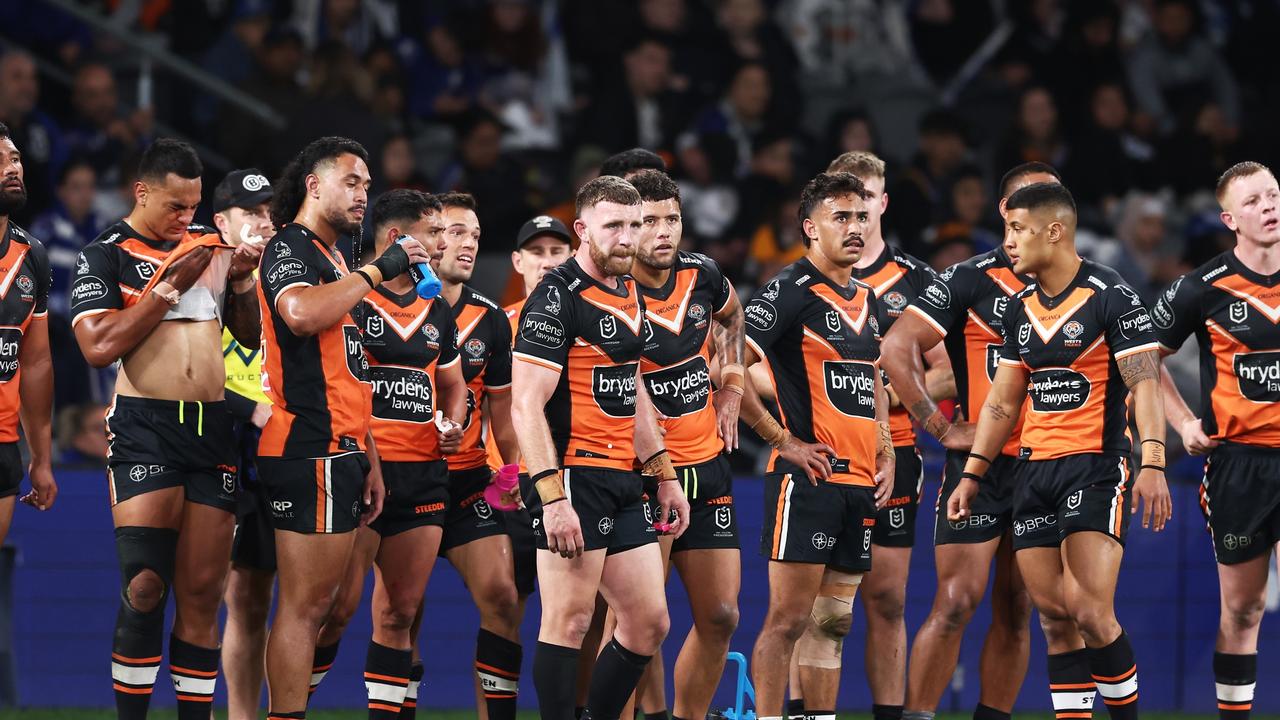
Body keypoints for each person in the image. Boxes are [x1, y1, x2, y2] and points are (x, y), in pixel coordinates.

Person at [950, 182, 1172, 720]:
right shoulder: (1018, 308)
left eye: (1018, 230)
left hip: (1095, 469)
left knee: (1091, 612)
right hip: (1032, 474)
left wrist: (1153, 462)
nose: (1009, 242)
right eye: (1005, 231)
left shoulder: (1111, 295)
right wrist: (972, 475)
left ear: (1055, 231)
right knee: (1053, 617)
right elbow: (1002, 404)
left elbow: (1144, 384)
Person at [70, 138, 262, 718]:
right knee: (145, 586)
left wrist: (245, 281)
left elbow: (249, 338)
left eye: (193, 206)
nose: (186, 218)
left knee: (203, 597)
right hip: (145, 427)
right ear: (142, 192)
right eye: (175, 206)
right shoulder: (105, 253)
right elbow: (98, 347)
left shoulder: (207, 246)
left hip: (211, 430)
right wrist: (171, 285)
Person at [252, 135, 430, 719]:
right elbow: (300, 316)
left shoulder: (333, 261)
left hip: (345, 450)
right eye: (351, 182)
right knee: (305, 608)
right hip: (307, 447)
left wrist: (370, 456)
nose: (362, 195)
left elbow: (349, 372)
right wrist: (380, 271)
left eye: (367, 185)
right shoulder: (288, 248)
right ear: (313, 184)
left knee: (334, 605)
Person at [881, 161, 1062, 720]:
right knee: (956, 602)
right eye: (1017, 208)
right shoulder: (968, 278)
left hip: (1047, 464)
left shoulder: (1084, 285)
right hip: (975, 468)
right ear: (1002, 213)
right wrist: (937, 427)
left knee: (1017, 608)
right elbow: (896, 348)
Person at [511, 175, 691, 720]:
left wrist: (663, 473)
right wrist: (552, 497)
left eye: (635, 225)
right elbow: (526, 405)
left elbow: (628, 385)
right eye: (613, 225)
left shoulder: (626, 287)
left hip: (619, 476)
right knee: (567, 621)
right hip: (569, 477)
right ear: (582, 230)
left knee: (648, 623)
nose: (628, 237)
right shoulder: (555, 298)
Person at [785, 151, 943, 720]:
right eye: (845, 206)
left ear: (882, 202)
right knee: (810, 606)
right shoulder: (804, 283)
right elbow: (756, 361)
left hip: (894, 452)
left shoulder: (916, 281)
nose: (859, 215)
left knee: (885, 598)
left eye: (868, 199)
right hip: (829, 451)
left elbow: (949, 369)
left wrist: (897, 390)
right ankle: (805, 709)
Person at [306, 189, 468, 720]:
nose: (447, 242)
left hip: (424, 473)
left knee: (400, 613)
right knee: (335, 610)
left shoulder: (437, 309)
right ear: (399, 240)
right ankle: (292, 702)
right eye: (436, 233)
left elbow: (453, 385)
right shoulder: (349, 298)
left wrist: (454, 423)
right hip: (360, 470)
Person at [740, 171, 894, 720]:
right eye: (840, 217)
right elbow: (725, 368)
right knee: (786, 621)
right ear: (810, 227)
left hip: (859, 483)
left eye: (861, 217)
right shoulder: (790, 290)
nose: (855, 228)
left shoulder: (868, 299)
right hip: (807, 482)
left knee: (832, 622)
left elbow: (872, 380)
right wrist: (783, 441)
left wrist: (888, 452)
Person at [613, 169, 745, 720]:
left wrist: (733, 382)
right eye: (650, 221)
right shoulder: (612, 292)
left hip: (706, 465)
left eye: (673, 219)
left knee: (720, 617)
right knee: (640, 623)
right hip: (643, 474)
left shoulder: (704, 276)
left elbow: (734, 318)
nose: (664, 231)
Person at [1152, 161, 1280, 720]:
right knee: (1243, 610)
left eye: (1273, 195)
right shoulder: (1200, 288)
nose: (1269, 207)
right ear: (1230, 218)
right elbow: (1141, 358)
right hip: (1238, 466)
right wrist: (1181, 424)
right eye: (1253, 201)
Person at [434, 192, 526, 719]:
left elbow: (503, 413)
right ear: (428, 237)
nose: (468, 243)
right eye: (455, 231)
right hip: (407, 479)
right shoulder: (384, 308)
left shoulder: (490, 319)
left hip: (469, 482)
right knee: (399, 612)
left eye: (474, 234)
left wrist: (510, 471)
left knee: (501, 597)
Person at [211, 168, 277, 720]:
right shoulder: (200, 278)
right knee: (207, 593)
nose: (262, 223)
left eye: (267, 213)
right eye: (249, 213)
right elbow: (176, 370)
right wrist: (250, 408)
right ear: (221, 222)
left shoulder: (284, 279)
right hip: (215, 445)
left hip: (272, 452)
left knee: (254, 600)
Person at [0, 121, 56, 544]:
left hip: (3, 442)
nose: (12, 168)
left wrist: (41, 457)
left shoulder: (32, 255)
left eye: (15, 158)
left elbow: (35, 362)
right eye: (0, 161)